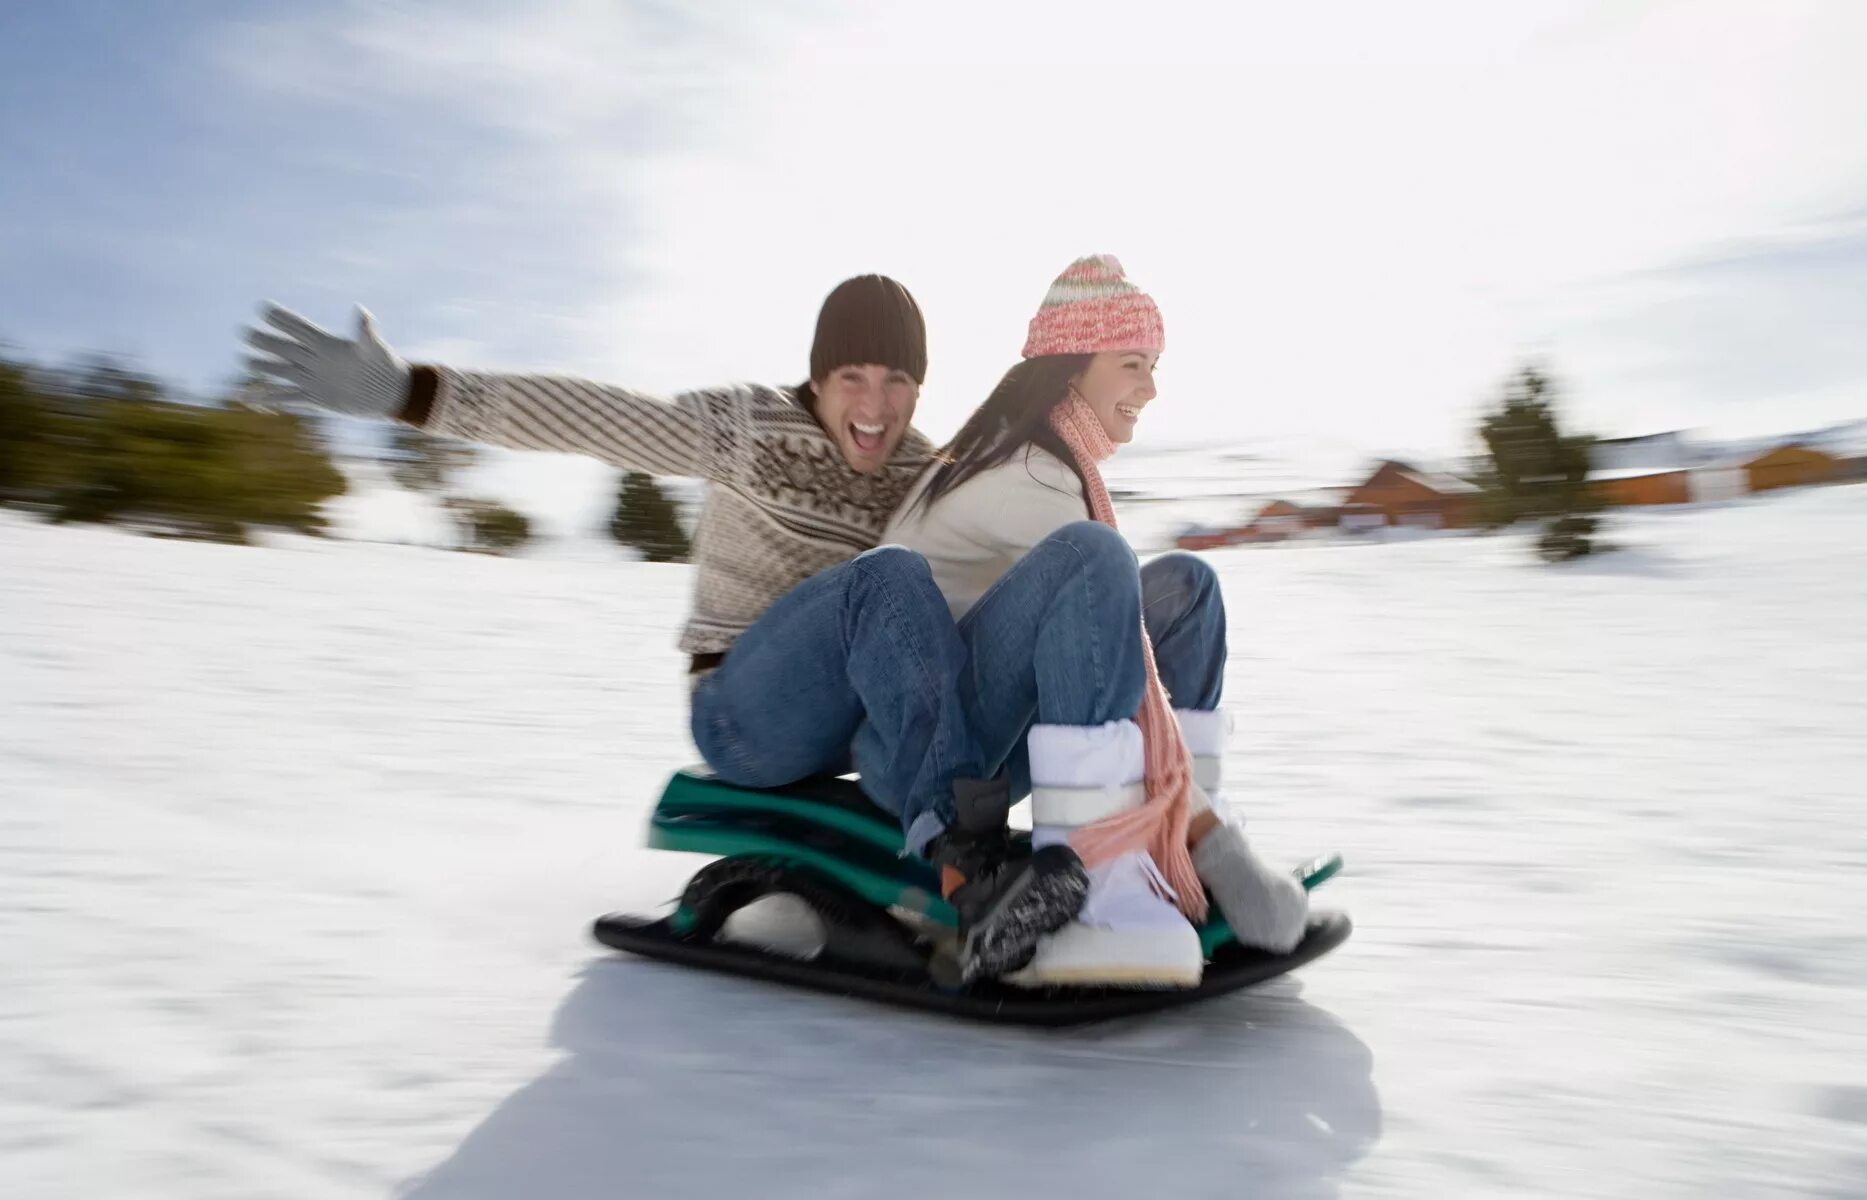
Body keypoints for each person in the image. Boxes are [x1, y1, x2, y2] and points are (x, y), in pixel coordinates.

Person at [241, 276, 1086, 980]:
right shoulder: (745, 429)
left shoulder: (921, 469)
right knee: (884, 579)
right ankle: (972, 872)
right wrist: (407, 392)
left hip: (859, 729)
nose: (876, 405)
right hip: (747, 718)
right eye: (853, 377)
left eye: (898, 381)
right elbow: (588, 414)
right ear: (819, 376)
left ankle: (1099, 840)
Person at [884, 255, 1309, 988]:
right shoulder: (1030, 473)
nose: (1150, 387)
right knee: (1095, 563)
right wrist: (1221, 847)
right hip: (937, 747)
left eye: (1153, 366)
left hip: (992, 713)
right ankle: (1105, 869)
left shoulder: (1056, 458)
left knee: (1187, 588)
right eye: (1133, 364)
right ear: (1074, 365)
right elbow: (1120, 660)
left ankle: (1172, 843)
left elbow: (1122, 648)